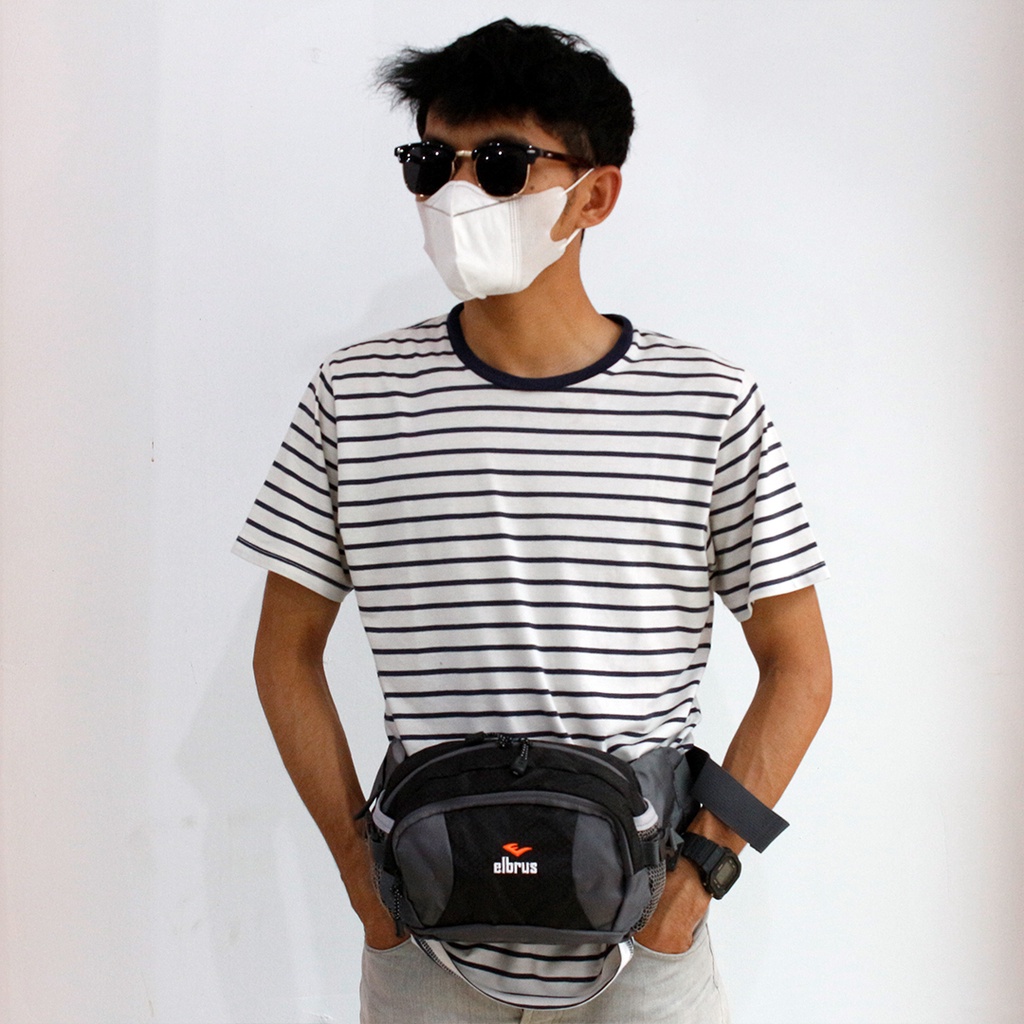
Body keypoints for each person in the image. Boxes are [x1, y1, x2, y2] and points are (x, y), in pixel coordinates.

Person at [234, 18, 832, 1024]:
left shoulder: (707, 404)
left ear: (594, 194)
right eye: (433, 164)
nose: (457, 194)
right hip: (425, 947)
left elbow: (800, 666)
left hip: (643, 959)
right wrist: (360, 878)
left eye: (502, 164)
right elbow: (283, 652)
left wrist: (695, 886)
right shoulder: (354, 396)